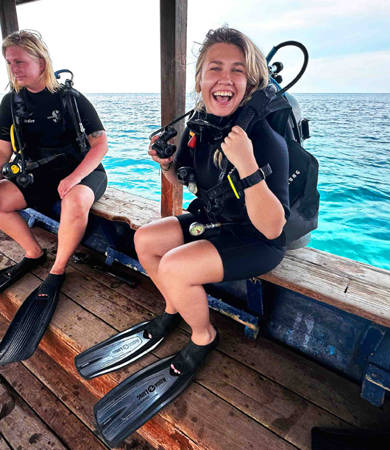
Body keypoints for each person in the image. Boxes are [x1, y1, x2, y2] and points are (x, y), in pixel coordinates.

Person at [76, 27, 289, 447]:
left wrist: (247, 162)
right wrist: (167, 165)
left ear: (250, 82)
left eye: (237, 70)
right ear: (200, 79)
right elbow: (193, 185)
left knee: (174, 266)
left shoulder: (264, 139)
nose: (224, 78)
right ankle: (176, 307)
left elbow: (272, 228)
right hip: (214, 220)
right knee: (146, 241)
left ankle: (203, 336)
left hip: (255, 238)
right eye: (215, 68)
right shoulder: (202, 126)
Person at [0, 30, 107, 364]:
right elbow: (3, 148)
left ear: (41, 61)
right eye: (8, 62)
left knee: (75, 201)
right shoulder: (11, 102)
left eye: (19, 61)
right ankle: (34, 254)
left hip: (83, 171)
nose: (13, 68)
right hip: (39, 175)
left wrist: (74, 178)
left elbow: (100, 144)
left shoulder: (70, 98)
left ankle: (57, 269)